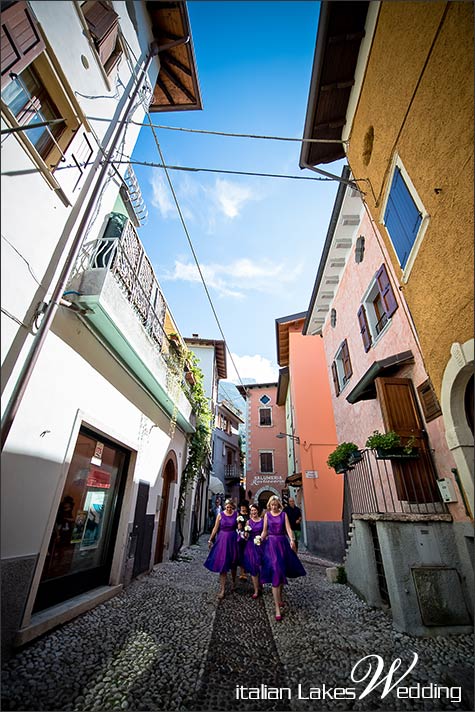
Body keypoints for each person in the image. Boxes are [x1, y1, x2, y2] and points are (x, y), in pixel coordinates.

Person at [261, 495, 306, 621]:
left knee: (281, 571)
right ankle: (277, 607)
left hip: (282, 544)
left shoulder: (283, 515)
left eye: (276, 504)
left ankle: (280, 596)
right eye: (272, 505)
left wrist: (292, 539)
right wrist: (260, 538)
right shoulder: (267, 515)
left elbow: (289, 529)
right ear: (269, 505)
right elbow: (265, 531)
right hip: (271, 545)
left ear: (278, 505)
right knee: (276, 570)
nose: (274, 507)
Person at [204, 499, 238, 598]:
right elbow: (215, 528)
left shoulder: (236, 515)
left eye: (230, 507)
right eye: (227, 507)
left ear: (233, 507)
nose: (228, 509)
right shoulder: (220, 515)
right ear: (225, 507)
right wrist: (210, 539)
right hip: (222, 540)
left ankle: (234, 582)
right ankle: (222, 589)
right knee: (223, 564)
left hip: (232, 540)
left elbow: (239, 527)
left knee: (233, 563)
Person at [243, 503, 264, 598]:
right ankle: (256, 590)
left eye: (255, 510)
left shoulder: (263, 521)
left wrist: (262, 538)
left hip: (261, 545)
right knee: (253, 566)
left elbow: (266, 533)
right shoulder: (248, 522)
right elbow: (246, 537)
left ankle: (260, 583)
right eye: (252, 510)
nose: (253, 512)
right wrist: (246, 534)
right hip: (251, 546)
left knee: (261, 566)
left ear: (258, 511)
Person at [236, 502, 250, 581]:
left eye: (243, 506)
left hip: (248, 536)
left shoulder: (249, 515)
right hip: (240, 536)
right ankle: (242, 573)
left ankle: (246, 570)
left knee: (247, 553)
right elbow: (235, 524)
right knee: (241, 554)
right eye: (241, 506)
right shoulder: (238, 514)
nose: (242, 508)